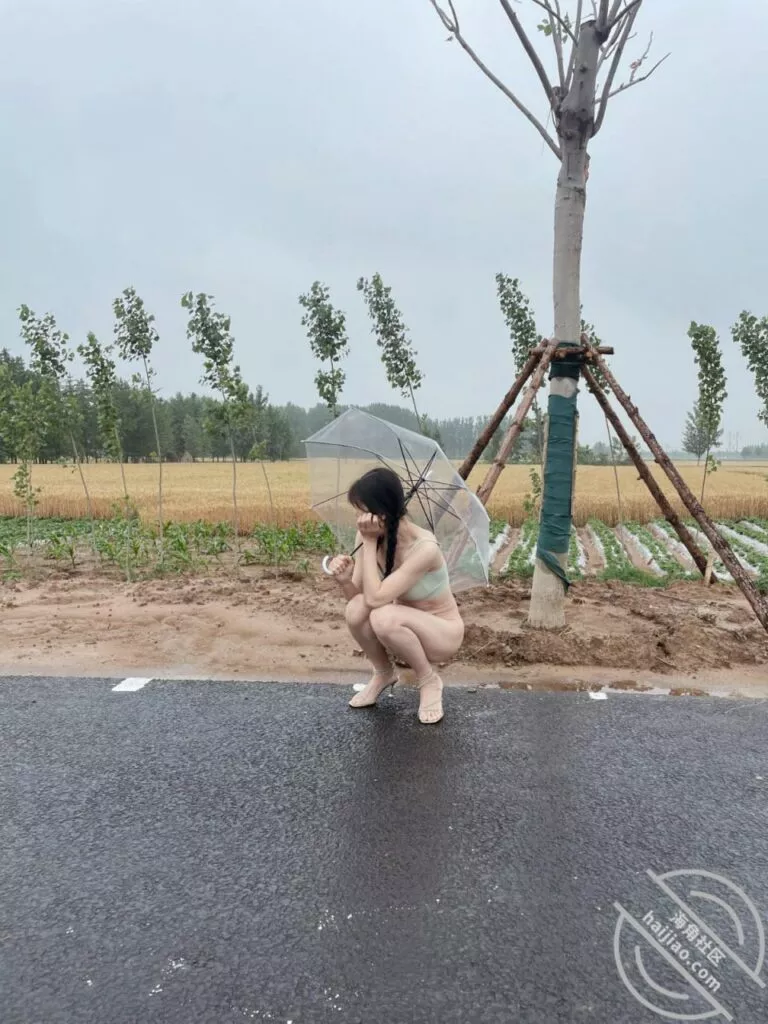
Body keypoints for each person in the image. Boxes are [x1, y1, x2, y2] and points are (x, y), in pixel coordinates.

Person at [326, 467, 464, 724]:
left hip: (441, 634)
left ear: (381, 513)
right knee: (355, 609)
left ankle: (429, 680)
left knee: (383, 616)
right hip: (400, 629)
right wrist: (344, 580)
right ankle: (383, 673)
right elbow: (361, 599)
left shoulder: (425, 548)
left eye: (361, 512)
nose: (358, 520)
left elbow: (376, 600)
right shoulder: (369, 537)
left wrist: (368, 543)